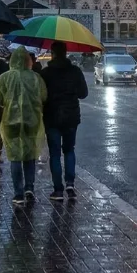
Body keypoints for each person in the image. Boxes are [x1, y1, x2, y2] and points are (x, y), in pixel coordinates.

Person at [0, 48, 47, 205]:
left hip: (10, 122)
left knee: (15, 157)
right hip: (32, 121)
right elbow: (44, 96)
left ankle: (18, 193)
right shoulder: (36, 78)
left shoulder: (4, 78)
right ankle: (29, 187)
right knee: (30, 154)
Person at [40, 42, 89, 201]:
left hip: (52, 118)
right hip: (70, 117)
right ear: (66, 53)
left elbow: (41, 96)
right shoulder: (75, 71)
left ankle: (58, 190)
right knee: (69, 150)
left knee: (54, 153)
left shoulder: (46, 73)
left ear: (52, 53)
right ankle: (70, 183)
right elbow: (83, 94)